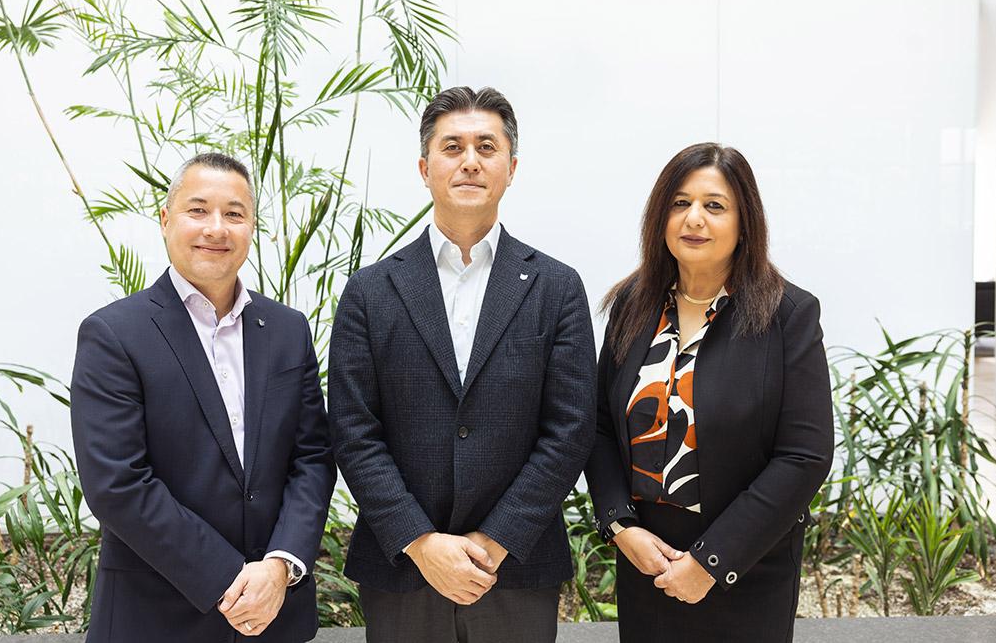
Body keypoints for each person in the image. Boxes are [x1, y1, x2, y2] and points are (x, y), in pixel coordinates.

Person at [328, 86, 597, 642]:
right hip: (403, 567)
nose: (470, 161)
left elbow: (569, 431)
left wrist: (493, 542)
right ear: (425, 168)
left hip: (516, 568)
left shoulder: (557, 287)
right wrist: (423, 544)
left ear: (511, 167)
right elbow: (354, 431)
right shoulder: (370, 291)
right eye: (452, 147)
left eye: (486, 146)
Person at [69, 152, 334, 642]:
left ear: (252, 228)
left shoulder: (286, 330)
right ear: (166, 219)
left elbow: (313, 458)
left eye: (234, 214)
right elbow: (117, 484)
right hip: (156, 616)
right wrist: (230, 580)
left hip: (276, 614)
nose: (217, 228)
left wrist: (279, 566)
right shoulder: (113, 333)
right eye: (198, 210)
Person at [583, 142, 834, 642]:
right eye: (680, 203)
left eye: (714, 206)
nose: (693, 218)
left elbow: (804, 455)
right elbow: (598, 425)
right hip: (648, 562)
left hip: (744, 570)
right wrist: (621, 528)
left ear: (745, 223)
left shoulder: (789, 316)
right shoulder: (633, 305)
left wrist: (710, 562)